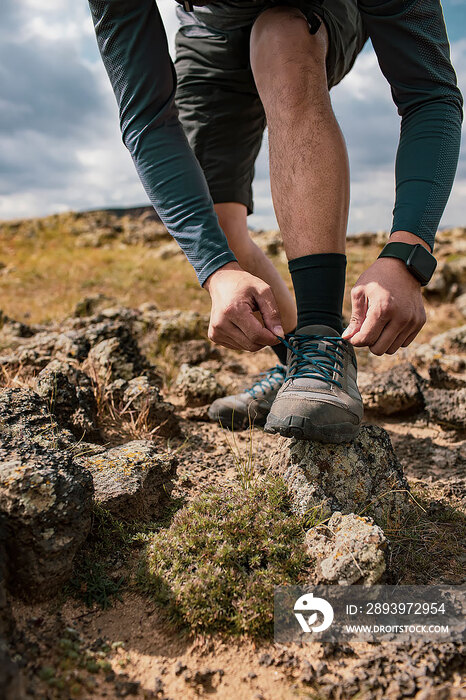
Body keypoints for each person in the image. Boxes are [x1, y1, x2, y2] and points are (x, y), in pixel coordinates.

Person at [88, 0, 463, 443]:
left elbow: (430, 92)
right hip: (211, 38)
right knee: (221, 230)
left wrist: (407, 253)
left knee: (280, 34)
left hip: (315, 11)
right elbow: (147, 119)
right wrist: (217, 269)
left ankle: (322, 342)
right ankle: (300, 362)